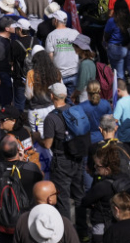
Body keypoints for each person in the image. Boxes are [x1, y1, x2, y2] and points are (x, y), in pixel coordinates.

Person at [40, 82, 87, 236]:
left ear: (52, 96)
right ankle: (83, 232)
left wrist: (36, 137)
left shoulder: (51, 118)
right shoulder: (75, 109)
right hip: (78, 158)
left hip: (61, 161)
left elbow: (47, 145)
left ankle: (67, 235)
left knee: (63, 200)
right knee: (79, 195)